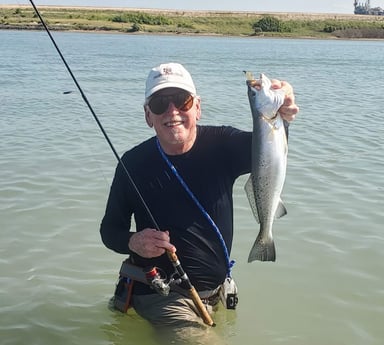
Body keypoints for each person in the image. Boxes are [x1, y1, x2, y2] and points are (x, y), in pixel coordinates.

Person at [100, 62, 299, 331]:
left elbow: (269, 149)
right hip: (160, 295)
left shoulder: (223, 144)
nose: (172, 111)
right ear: (148, 116)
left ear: (197, 107)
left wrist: (283, 106)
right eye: (160, 104)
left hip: (216, 293)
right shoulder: (132, 164)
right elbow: (109, 231)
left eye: (182, 101)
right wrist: (133, 241)